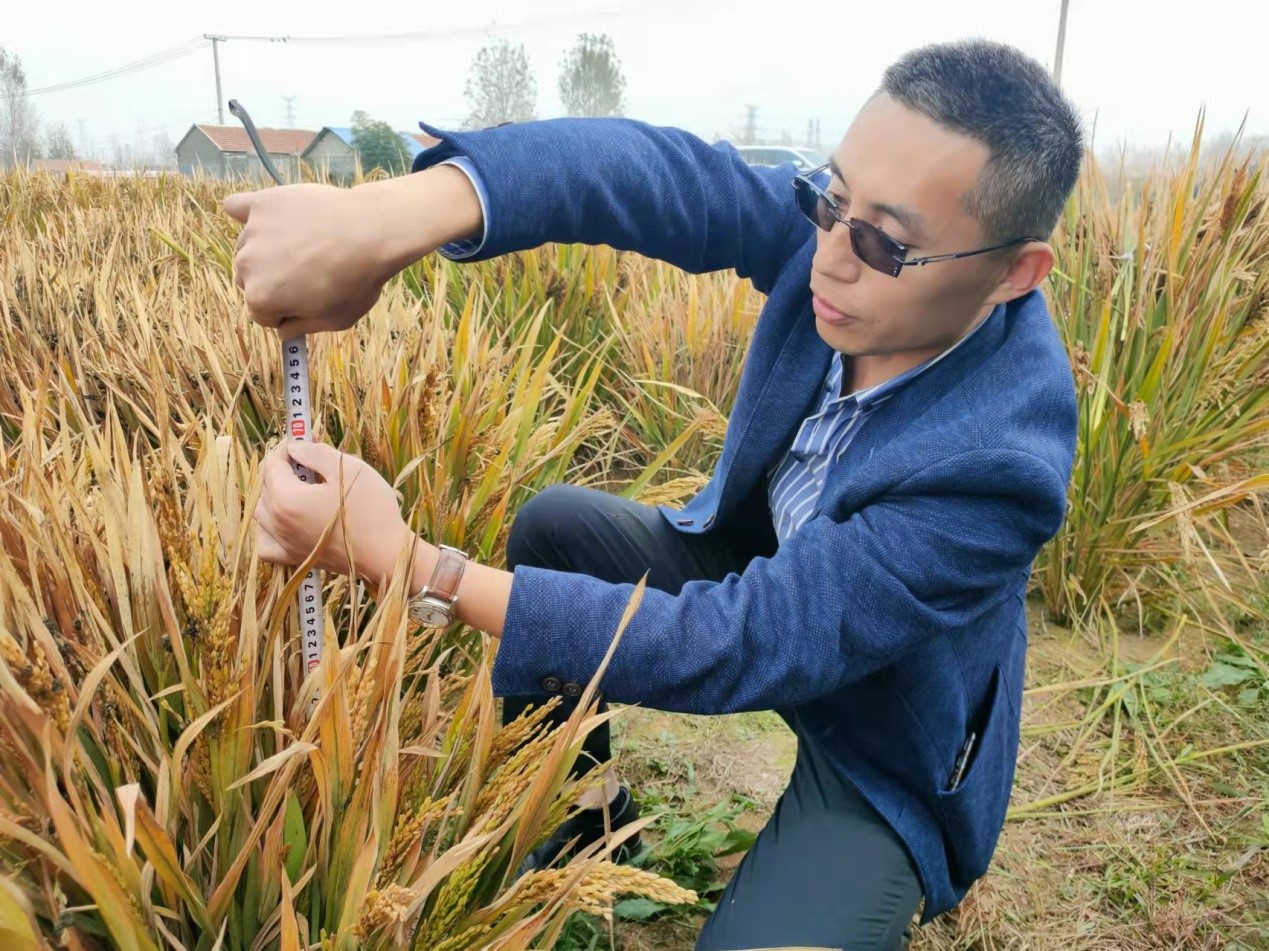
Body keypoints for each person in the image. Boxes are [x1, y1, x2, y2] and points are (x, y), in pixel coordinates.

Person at [229, 38, 1083, 951]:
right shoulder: (837, 240)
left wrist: (408, 563)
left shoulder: (1001, 466)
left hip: (885, 723)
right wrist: (393, 214)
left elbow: (737, 642)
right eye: (829, 200)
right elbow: (656, 175)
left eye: (884, 241)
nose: (830, 256)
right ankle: (581, 813)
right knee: (560, 527)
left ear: (1011, 274)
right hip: (767, 564)